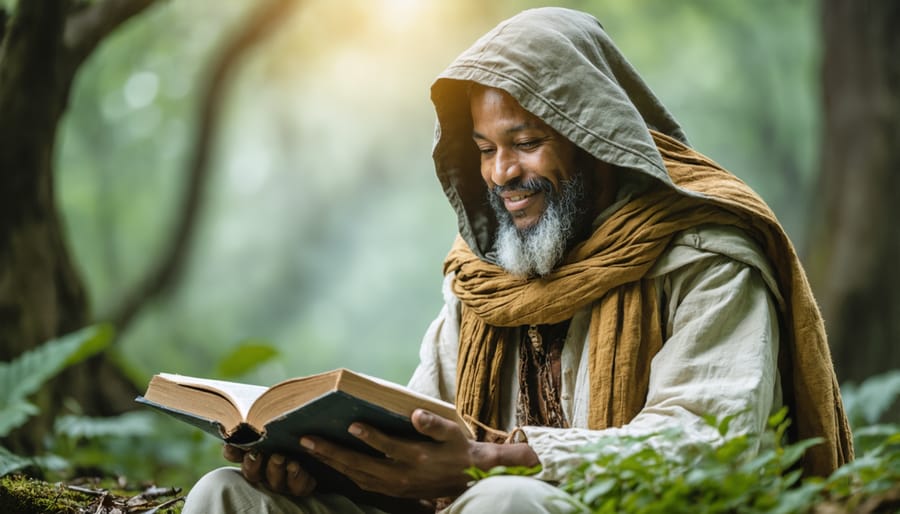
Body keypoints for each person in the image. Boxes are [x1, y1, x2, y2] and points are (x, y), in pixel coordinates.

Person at [182, 7, 852, 513]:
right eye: (483, 148)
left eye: (525, 141)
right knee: (225, 495)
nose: (501, 172)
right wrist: (327, 461)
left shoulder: (704, 255)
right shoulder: (481, 278)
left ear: (595, 138)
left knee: (507, 501)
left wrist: (489, 463)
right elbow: (422, 426)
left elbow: (712, 443)